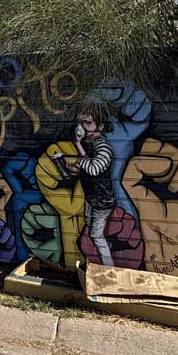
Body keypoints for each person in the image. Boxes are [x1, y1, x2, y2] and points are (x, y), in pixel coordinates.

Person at [64, 105, 115, 265]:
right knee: (88, 226)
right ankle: (103, 253)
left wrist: (78, 149)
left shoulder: (102, 146)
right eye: (81, 122)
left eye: (87, 122)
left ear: (99, 126)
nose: (82, 126)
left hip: (102, 201)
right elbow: (88, 169)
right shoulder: (89, 143)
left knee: (96, 235)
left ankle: (110, 268)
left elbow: (94, 169)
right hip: (91, 198)